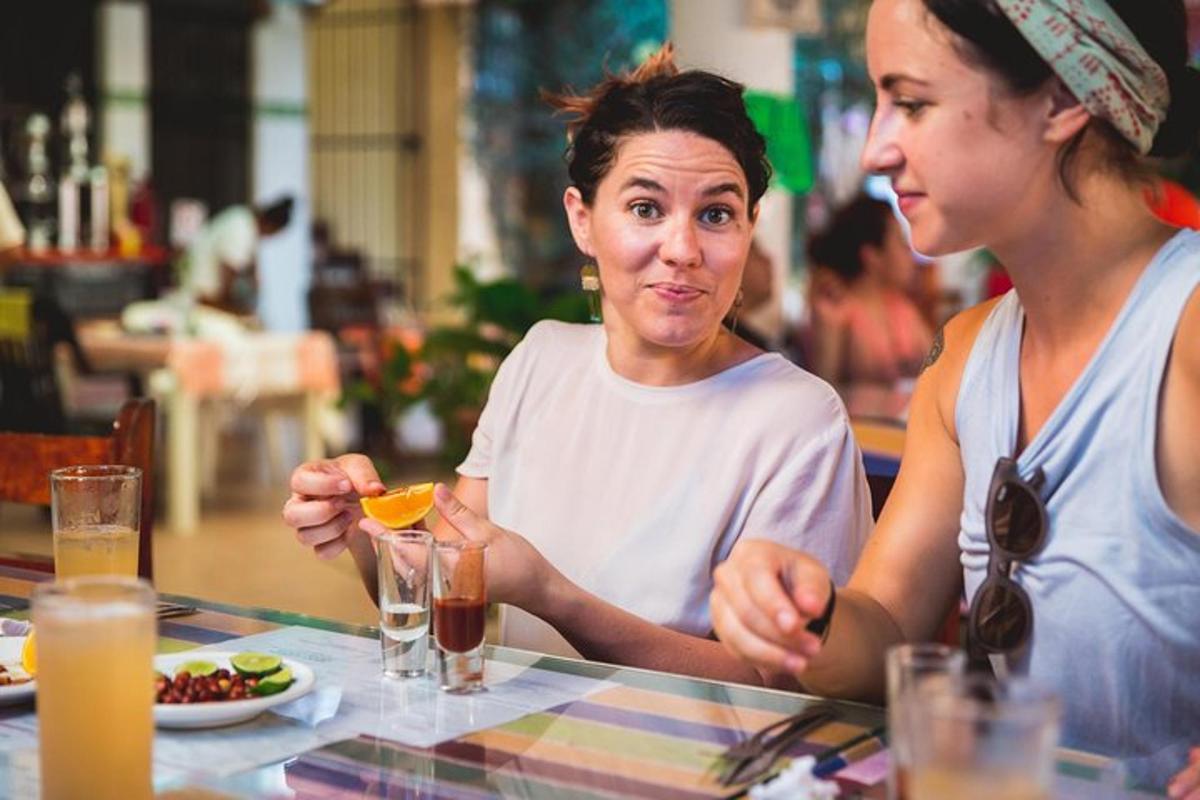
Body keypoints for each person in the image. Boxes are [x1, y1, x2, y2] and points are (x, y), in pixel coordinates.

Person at [709, 0, 1200, 791]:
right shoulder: (964, 358)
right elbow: (885, 631)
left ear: (1061, 99)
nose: (875, 150)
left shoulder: (1185, 329)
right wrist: (807, 614)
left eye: (911, 102)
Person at [283, 45, 872, 684]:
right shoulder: (541, 359)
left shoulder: (798, 420)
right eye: (646, 208)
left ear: (750, 226)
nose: (682, 249)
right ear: (582, 220)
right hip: (522, 769)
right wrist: (366, 528)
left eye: (716, 214)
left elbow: (780, 688)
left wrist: (552, 594)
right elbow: (445, 594)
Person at [806, 193, 932, 417]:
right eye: (901, 242)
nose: (910, 254)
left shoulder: (903, 308)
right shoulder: (838, 312)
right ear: (872, 256)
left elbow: (937, 370)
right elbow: (824, 392)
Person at [181, 195, 294, 314]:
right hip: (203, 300)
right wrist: (231, 308)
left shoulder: (242, 219)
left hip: (207, 298)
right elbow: (229, 270)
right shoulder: (240, 229)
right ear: (270, 226)